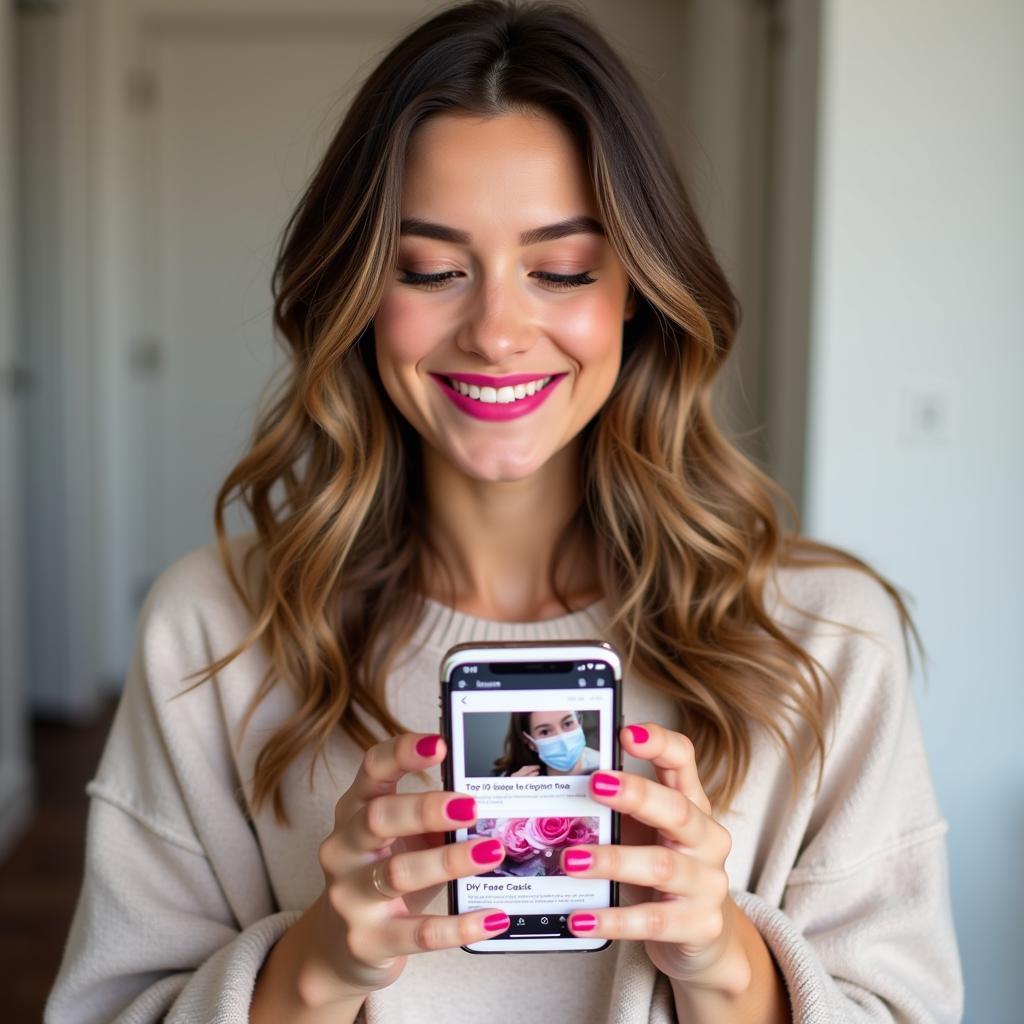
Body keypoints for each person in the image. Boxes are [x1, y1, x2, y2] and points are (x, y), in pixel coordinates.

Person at [45, 1, 963, 1022]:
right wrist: (312, 967)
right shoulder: (213, 628)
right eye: (431, 269)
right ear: (355, 290)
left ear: (636, 292)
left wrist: (727, 964)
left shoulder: (824, 638)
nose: (494, 331)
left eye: (561, 269)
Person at [494, 709, 601, 776]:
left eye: (568, 723)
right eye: (545, 732)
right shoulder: (511, 781)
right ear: (529, 742)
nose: (562, 739)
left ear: (579, 721)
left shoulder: (606, 767)